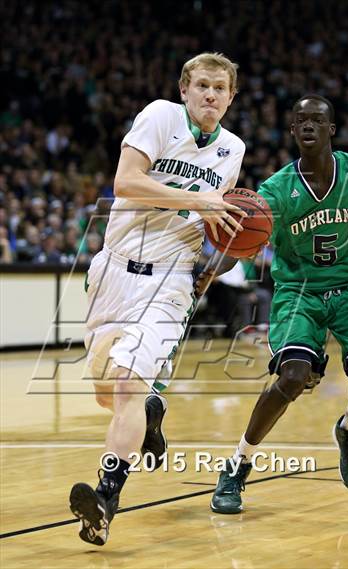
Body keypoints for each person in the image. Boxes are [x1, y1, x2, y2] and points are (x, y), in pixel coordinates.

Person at [200, 94, 348, 514]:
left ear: (331, 130)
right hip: (300, 294)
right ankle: (237, 465)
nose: (307, 125)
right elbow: (244, 239)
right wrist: (209, 272)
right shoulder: (278, 190)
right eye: (299, 119)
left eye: (316, 120)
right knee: (292, 376)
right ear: (292, 130)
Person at [69, 52, 246, 545]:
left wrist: (219, 259)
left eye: (221, 89)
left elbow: (217, 222)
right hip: (114, 270)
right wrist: (197, 200)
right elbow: (125, 182)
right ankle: (150, 410)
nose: (211, 95)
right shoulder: (161, 116)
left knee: (125, 384)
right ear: (185, 90)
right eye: (203, 86)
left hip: (171, 280)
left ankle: (106, 497)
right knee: (108, 394)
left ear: (231, 99)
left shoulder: (233, 150)